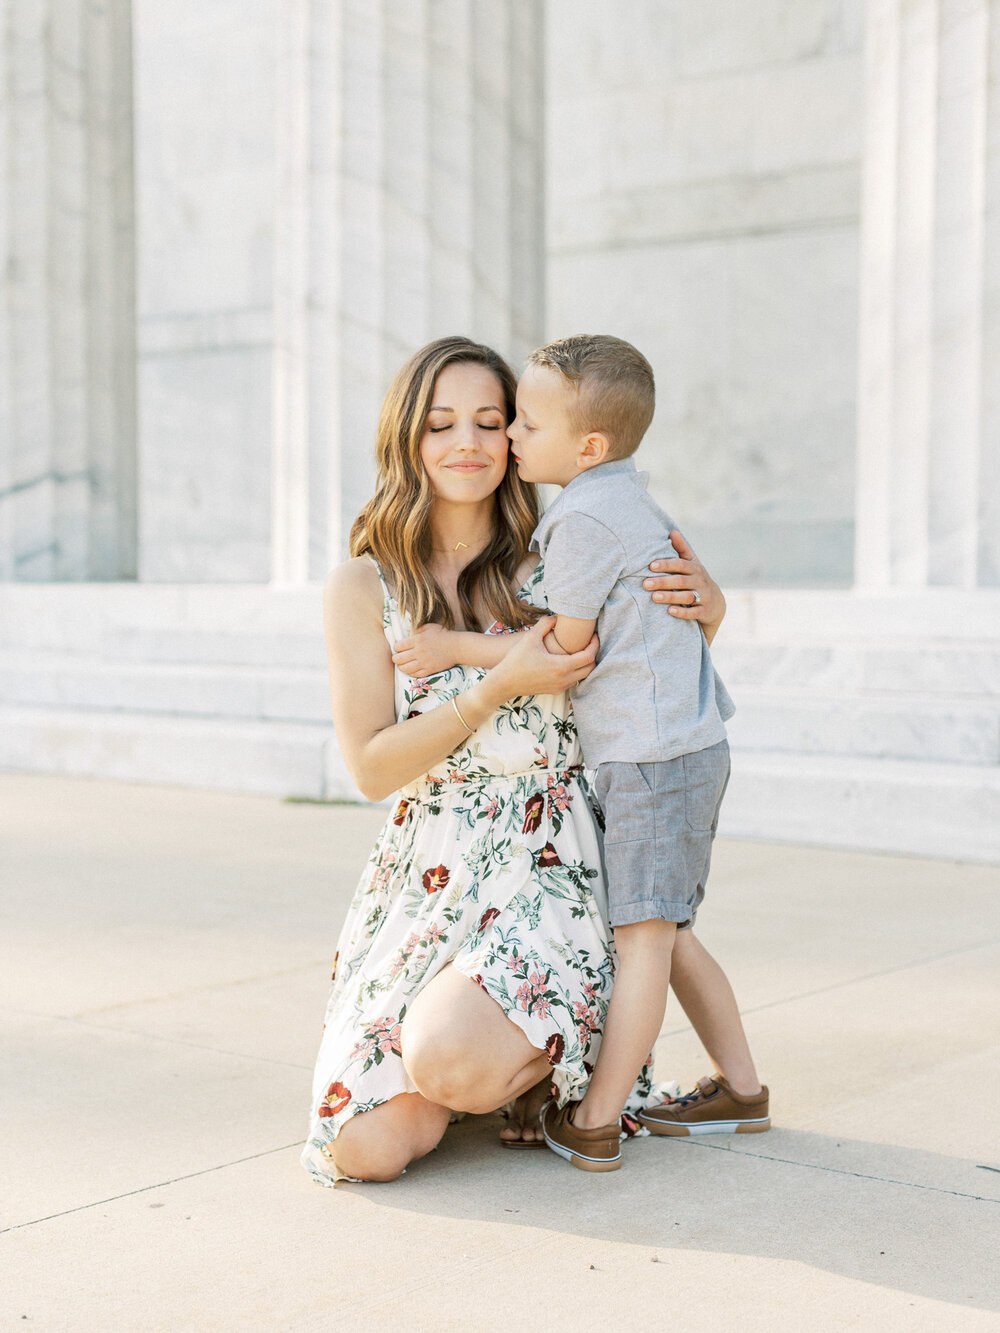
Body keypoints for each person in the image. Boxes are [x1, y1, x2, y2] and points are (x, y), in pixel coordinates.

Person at [301, 336, 725, 1183]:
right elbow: (374, 768)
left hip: (547, 858)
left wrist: (711, 610)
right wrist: (493, 688)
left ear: (522, 437)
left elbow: (658, 658)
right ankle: (507, 1071)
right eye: (441, 423)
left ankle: (526, 1068)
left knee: (449, 1057)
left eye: (492, 422)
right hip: (425, 866)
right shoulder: (365, 584)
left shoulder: (567, 546)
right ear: (405, 439)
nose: (467, 442)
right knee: (362, 1153)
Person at [407, 333, 767, 1173]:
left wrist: (456, 647)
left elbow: (565, 651)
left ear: (588, 445)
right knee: (669, 931)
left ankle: (596, 1118)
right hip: (674, 748)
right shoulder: (625, 498)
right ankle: (742, 1089)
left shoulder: (582, 519)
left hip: (653, 758)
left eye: (523, 423)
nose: (512, 439)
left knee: (642, 935)